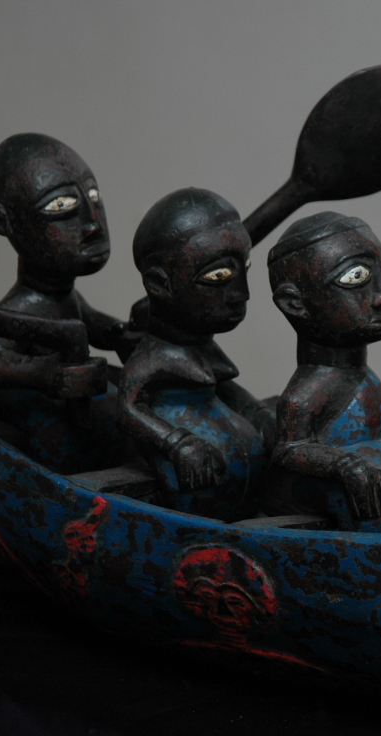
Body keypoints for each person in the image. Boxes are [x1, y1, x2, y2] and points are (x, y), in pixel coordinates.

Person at [259, 212, 381, 533]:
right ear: (295, 303)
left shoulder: (358, 375)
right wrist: (344, 466)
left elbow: (371, 434)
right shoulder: (309, 390)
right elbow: (289, 451)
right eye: (355, 277)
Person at [0, 133, 129, 473]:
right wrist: (49, 374)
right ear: (4, 223)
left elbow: (91, 322)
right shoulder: (21, 308)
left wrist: (121, 333)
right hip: (47, 414)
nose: (93, 224)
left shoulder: (66, 296)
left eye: (94, 197)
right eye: (60, 206)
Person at [116, 188, 274, 521]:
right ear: (159, 284)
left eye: (244, 269)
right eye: (219, 276)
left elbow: (226, 388)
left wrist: (258, 413)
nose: (242, 294)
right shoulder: (155, 357)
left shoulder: (202, 350)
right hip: (191, 502)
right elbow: (129, 408)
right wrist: (177, 443)